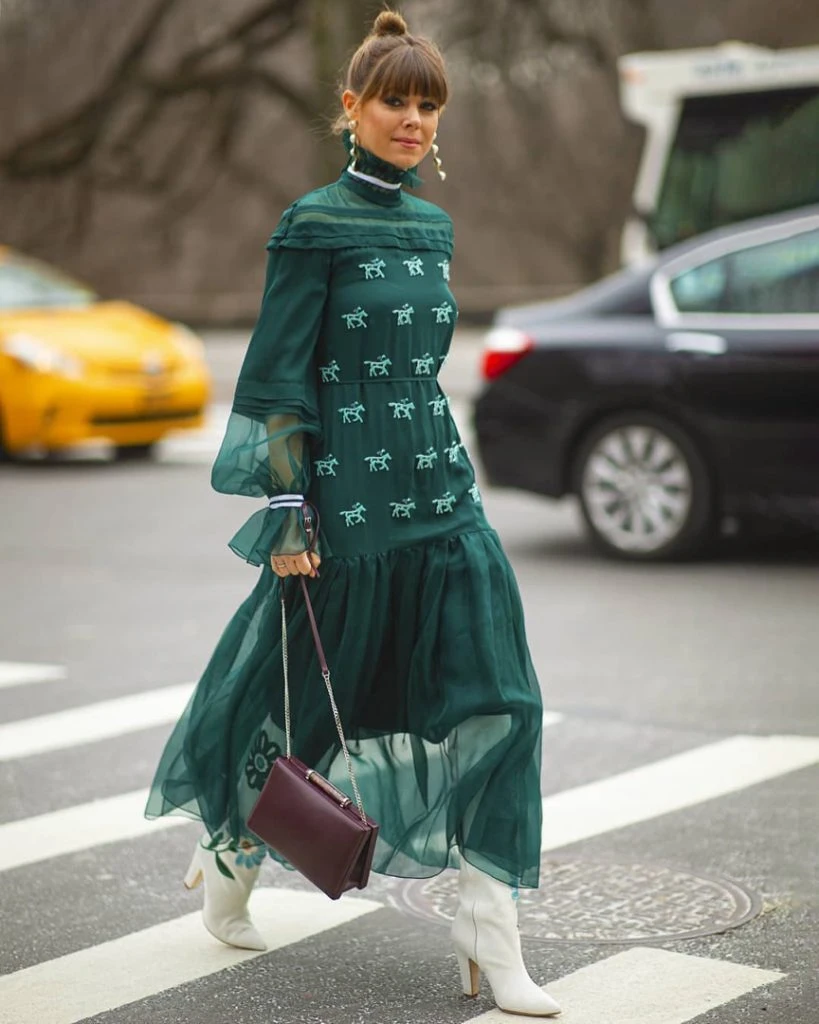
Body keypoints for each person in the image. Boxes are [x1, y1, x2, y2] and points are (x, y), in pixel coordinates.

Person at [145, 9, 560, 1018]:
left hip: (441, 500)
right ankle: (230, 850)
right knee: (298, 718)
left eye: (428, 103)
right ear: (351, 108)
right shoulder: (313, 225)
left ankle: (490, 937)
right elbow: (282, 379)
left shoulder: (434, 226)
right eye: (394, 100)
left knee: (506, 705)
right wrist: (289, 508)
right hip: (348, 514)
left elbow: (419, 370)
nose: (413, 119)